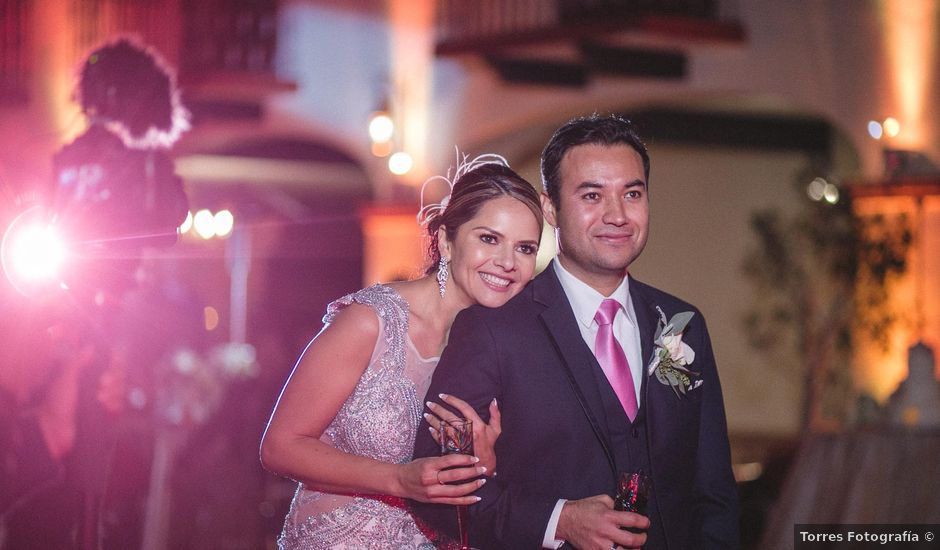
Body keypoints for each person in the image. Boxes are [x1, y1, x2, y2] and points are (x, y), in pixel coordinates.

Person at [411, 115, 740, 549]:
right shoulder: (493, 330)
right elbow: (436, 492)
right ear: (551, 209)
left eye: (632, 193)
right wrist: (557, 521)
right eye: (592, 195)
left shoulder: (683, 324)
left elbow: (713, 489)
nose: (617, 215)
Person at [260, 156, 544, 548]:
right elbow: (279, 446)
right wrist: (399, 479)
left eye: (525, 248)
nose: (508, 262)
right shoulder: (370, 322)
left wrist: (486, 467)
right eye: (489, 238)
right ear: (446, 241)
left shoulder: (507, 350)